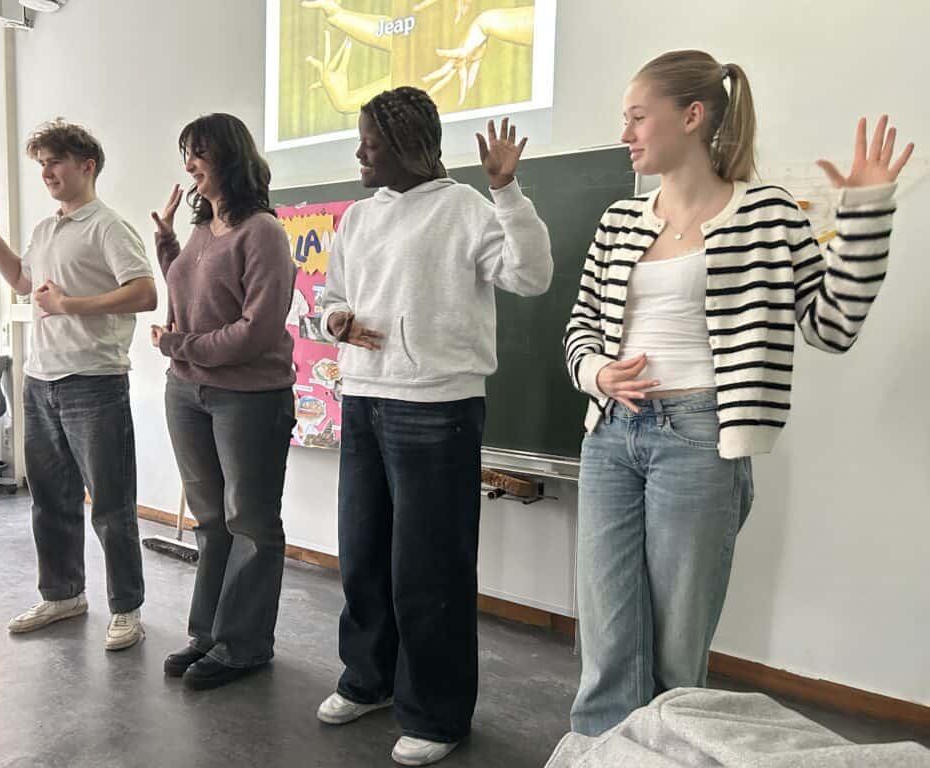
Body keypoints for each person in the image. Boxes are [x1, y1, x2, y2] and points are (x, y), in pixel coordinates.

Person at [563, 49, 914, 736]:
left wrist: (867, 214)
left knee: (676, 646)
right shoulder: (618, 220)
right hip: (610, 433)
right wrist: (597, 373)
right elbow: (581, 325)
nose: (625, 133)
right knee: (605, 641)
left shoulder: (766, 214)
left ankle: (670, 749)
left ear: (692, 115)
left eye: (638, 117)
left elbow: (833, 325)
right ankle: (601, 751)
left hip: (700, 439)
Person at [315, 86, 553, 766]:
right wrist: (335, 322)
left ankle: (437, 714)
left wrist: (507, 192)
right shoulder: (359, 218)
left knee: (430, 568)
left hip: (437, 408)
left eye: (371, 143)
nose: (360, 153)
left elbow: (532, 275)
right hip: (363, 398)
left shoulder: (465, 208)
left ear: (408, 146)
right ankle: (368, 680)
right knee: (363, 553)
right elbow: (332, 299)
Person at [0, 119, 157, 649]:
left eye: (55, 162)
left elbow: (145, 293)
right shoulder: (46, 230)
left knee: (111, 505)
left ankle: (126, 608)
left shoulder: (108, 227)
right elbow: (21, 280)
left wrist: (69, 305)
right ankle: (63, 595)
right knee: (50, 500)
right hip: (41, 380)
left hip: (94, 383)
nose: (47, 172)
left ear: (86, 166)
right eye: (42, 164)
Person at [150, 113, 297, 690]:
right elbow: (194, 292)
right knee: (211, 521)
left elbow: (256, 330)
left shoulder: (262, 232)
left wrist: (179, 345)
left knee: (250, 523)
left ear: (229, 159)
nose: (189, 165)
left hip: (248, 397)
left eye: (199, 153)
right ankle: (207, 635)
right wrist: (167, 243)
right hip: (187, 390)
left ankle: (244, 646)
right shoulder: (202, 228)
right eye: (186, 153)